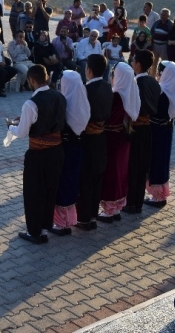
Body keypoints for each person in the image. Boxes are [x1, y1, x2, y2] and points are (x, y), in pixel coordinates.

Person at [5, 65, 66, 244]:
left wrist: (10, 126)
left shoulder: (31, 103)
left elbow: (22, 132)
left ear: (31, 80)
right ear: (46, 77)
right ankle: (46, 226)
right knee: (50, 191)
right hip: (57, 150)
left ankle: (35, 231)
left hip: (38, 154)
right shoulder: (60, 96)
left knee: (33, 193)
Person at [75, 55, 113, 231]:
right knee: (97, 177)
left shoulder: (85, 89)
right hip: (101, 137)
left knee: (86, 179)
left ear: (88, 70)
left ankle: (83, 218)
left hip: (87, 138)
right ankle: (92, 215)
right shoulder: (108, 87)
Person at [98, 62, 140, 222]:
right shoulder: (130, 92)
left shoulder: (115, 95)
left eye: (114, 74)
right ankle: (116, 208)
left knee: (111, 173)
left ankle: (109, 210)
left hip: (111, 139)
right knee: (121, 172)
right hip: (124, 137)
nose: (112, 77)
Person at [51, 71, 90, 235]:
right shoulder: (83, 100)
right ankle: (68, 220)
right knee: (72, 181)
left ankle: (61, 224)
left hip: (64, 149)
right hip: (78, 146)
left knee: (62, 182)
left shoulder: (63, 103)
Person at [123, 50, 161, 214]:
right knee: (142, 166)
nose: (132, 64)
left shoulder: (137, 83)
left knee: (133, 167)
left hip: (136, 129)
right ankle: (137, 202)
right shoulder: (153, 82)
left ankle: (131, 202)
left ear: (138, 64)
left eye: (133, 61)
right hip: (148, 128)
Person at [145, 61, 175, 208]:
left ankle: (158, 196)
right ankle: (159, 193)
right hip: (166, 130)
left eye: (160, 72)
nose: (158, 74)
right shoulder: (173, 89)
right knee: (162, 160)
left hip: (157, 131)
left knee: (156, 160)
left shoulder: (162, 91)